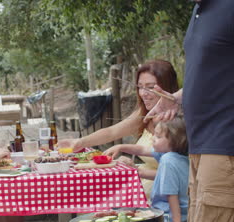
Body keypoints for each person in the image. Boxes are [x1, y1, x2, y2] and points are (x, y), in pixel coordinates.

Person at [145, 1, 234, 222]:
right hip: (201, 146)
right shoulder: (200, 11)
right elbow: (212, 75)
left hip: (229, 146)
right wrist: (176, 98)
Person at [59, 59, 180, 197]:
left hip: (165, 197)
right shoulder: (144, 114)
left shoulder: (179, 122)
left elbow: (182, 175)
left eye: (150, 87)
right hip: (138, 187)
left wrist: (135, 170)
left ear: (167, 88)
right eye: (140, 86)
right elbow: (112, 131)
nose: (143, 93)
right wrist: (79, 143)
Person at [107, 116, 189, 222]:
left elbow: (172, 194)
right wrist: (120, 147)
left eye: (158, 136)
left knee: (121, 211)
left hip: (167, 215)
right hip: (172, 211)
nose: (153, 139)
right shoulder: (172, 155)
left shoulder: (168, 161)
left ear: (175, 141)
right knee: (125, 209)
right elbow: (141, 150)